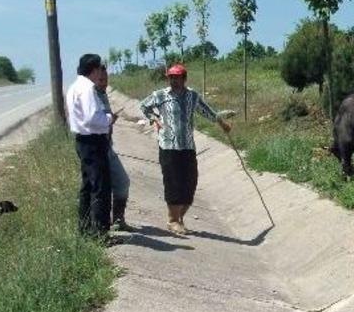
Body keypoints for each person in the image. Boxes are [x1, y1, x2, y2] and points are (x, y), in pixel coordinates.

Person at [139, 64, 231, 234]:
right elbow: (143, 106)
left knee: (190, 183)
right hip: (168, 146)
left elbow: (208, 112)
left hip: (187, 147)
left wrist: (222, 123)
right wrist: (154, 119)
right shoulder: (160, 95)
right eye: (171, 77)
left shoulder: (192, 96)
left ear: (184, 79)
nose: (174, 81)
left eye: (177, 77)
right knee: (173, 183)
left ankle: (179, 217)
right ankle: (172, 220)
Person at [65, 54, 117, 239]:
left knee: (88, 186)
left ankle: (85, 227)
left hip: (83, 140)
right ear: (94, 69)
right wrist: (109, 119)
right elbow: (92, 118)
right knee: (100, 187)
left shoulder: (74, 87)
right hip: (93, 141)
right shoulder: (88, 89)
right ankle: (100, 232)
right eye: (99, 69)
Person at [94, 66, 131, 231]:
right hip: (98, 149)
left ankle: (117, 220)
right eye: (101, 80)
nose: (104, 83)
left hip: (107, 147)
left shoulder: (102, 95)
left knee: (121, 182)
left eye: (106, 80)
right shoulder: (91, 97)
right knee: (104, 187)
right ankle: (102, 225)